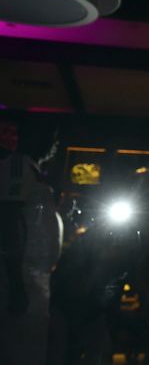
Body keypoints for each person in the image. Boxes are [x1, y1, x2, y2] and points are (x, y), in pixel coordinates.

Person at [0, 114, 63, 365]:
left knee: (30, 347)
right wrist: (16, 284)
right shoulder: (18, 165)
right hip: (20, 276)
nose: (54, 142)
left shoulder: (32, 169)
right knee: (18, 349)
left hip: (34, 278)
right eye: (51, 134)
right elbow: (9, 218)